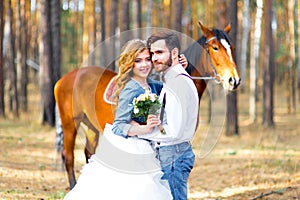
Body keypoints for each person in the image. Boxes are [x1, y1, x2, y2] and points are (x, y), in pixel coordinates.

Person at [64, 39, 188, 200]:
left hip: (145, 145)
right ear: (130, 63)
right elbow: (118, 126)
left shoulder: (151, 84)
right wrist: (144, 129)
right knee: (135, 189)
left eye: (147, 59)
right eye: (138, 61)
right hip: (129, 147)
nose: (144, 65)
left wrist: (178, 68)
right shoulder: (130, 88)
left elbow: (170, 90)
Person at [138, 31, 199, 200]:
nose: (154, 58)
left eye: (159, 52)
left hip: (173, 155)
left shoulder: (177, 83)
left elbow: (174, 131)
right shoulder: (173, 80)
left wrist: (142, 132)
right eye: (152, 53)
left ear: (174, 53)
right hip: (172, 154)